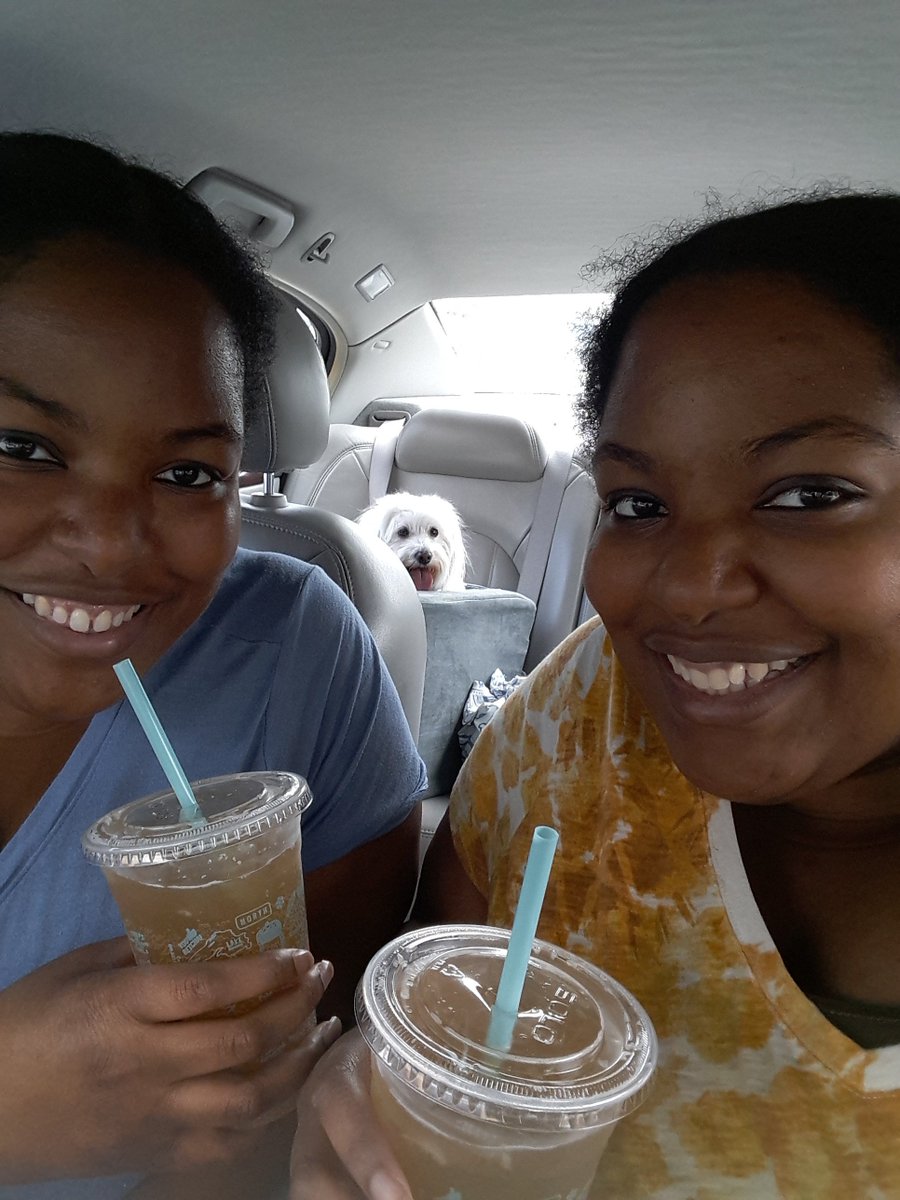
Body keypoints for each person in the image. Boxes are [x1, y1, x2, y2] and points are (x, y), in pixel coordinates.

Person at [289, 191, 900, 1199]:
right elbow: (443, 973)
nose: (691, 588)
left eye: (809, 495)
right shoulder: (587, 711)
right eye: (638, 505)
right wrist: (372, 1082)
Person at [0, 132, 426, 1199]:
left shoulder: (292, 647)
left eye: (188, 472)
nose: (109, 544)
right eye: (21, 448)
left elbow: (306, 1059)